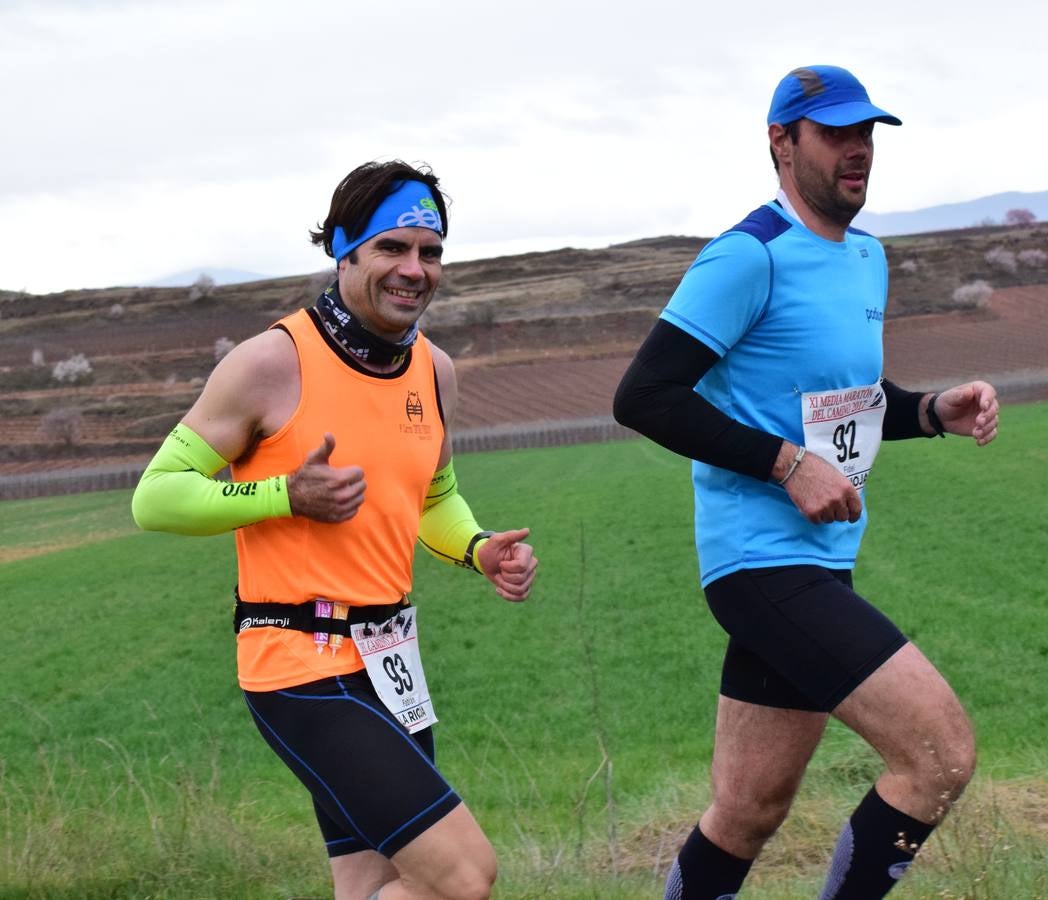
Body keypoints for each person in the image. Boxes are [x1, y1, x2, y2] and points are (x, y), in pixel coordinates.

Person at [613, 66, 999, 899]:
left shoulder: (865, 257)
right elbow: (643, 396)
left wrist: (934, 410)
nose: (857, 151)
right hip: (759, 565)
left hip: (820, 562)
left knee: (747, 809)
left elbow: (846, 406)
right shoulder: (746, 256)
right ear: (781, 142)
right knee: (939, 754)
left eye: (866, 134)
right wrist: (784, 465)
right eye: (835, 134)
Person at [132, 160, 539, 900]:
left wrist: (479, 549)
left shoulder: (436, 371)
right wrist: (284, 494)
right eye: (392, 248)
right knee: (463, 878)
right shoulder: (270, 363)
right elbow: (156, 497)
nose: (414, 269)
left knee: (368, 886)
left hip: (391, 663)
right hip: (300, 663)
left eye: (431, 252)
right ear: (345, 250)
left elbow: (433, 496)